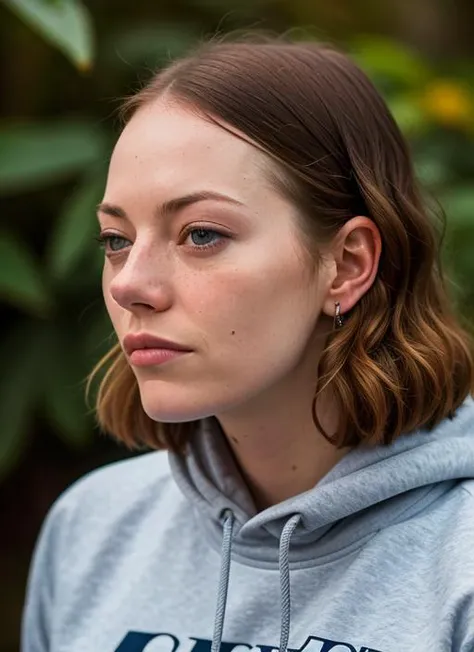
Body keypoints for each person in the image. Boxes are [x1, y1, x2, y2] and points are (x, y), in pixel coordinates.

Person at [21, 34, 474, 652]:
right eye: (115, 239)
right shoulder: (94, 528)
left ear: (346, 264)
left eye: (201, 234)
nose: (130, 284)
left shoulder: (459, 560)